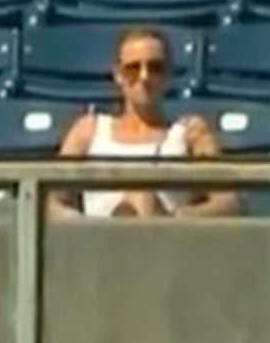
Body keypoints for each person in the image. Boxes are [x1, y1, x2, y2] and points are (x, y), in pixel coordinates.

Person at [49, 27, 238, 220]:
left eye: (155, 68)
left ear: (167, 75)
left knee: (142, 197)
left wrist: (176, 218)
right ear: (118, 75)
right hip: (100, 239)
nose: (144, 77)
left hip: (165, 240)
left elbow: (229, 202)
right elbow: (48, 198)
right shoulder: (89, 130)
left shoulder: (187, 133)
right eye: (133, 68)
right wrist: (79, 223)